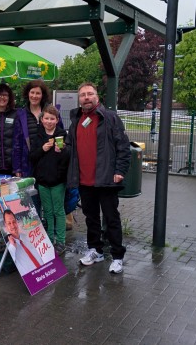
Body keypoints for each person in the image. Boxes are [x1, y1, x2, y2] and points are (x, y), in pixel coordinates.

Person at [65, 82, 131, 274]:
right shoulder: (76, 119)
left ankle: (118, 256)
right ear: (79, 100)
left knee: (111, 218)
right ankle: (96, 250)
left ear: (97, 97)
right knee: (91, 218)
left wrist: (120, 170)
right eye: (83, 95)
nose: (86, 97)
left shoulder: (109, 117)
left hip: (107, 179)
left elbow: (123, 146)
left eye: (90, 94)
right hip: (84, 180)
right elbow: (71, 146)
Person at [29, 105, 69, 254]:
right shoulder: (38, 136)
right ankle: (50, 239)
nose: (49, 121)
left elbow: (69, 157)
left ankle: (61, 241)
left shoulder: (62, 135)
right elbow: (32, 157)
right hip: (43, 181)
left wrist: (62, 151)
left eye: (52, 118)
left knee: (58, 211)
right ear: (42, 119)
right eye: (46, 118)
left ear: (57, 120)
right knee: (48, 211)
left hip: (58, 181)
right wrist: (43, 149)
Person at [13, 79, 52, 178]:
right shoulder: (21, 115)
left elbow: (60, 134)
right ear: (28, 93)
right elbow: (17, 144)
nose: (34, 96)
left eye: (38, 93)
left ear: (42, 95)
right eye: (32, 92)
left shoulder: (51, 112)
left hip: (48, 162)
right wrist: (17, 168)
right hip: (28, 163)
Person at [3, 209, 44, 275]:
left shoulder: (28, 237)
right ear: (6, 226)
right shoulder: (9, 247)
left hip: (46, 272)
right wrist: (13, 245)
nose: (13, 226)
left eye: (14, 222)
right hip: (31, 278)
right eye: (9, 223)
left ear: (17, 222)